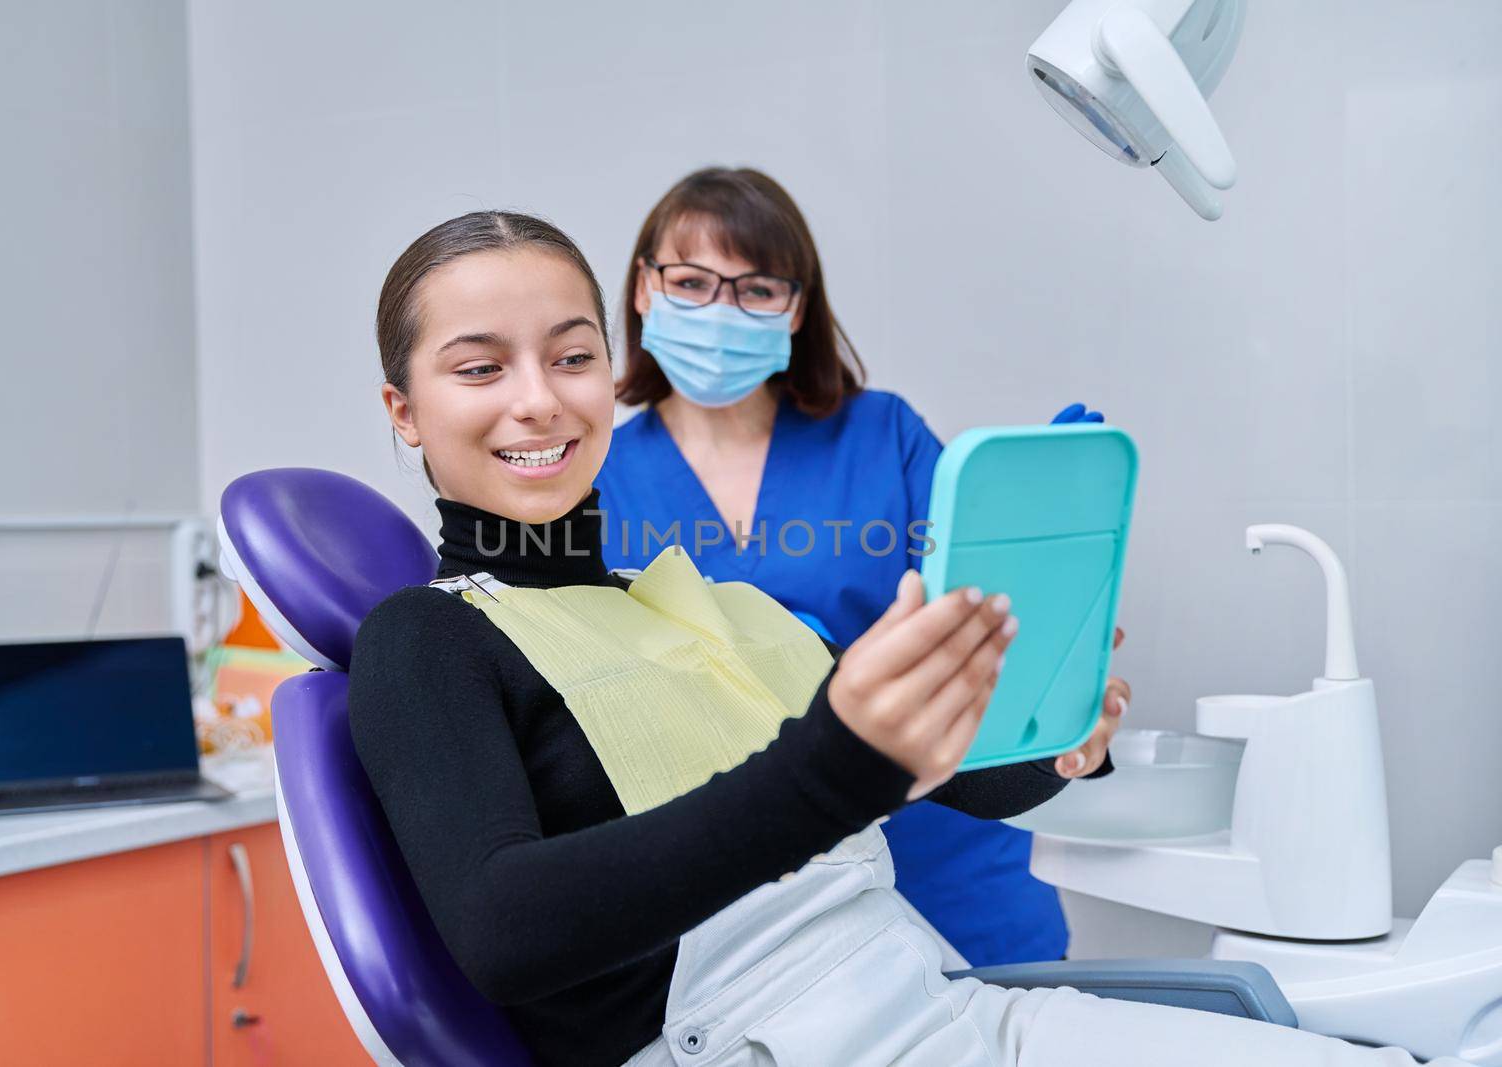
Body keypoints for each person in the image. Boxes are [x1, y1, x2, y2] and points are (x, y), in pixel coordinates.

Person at [349, 209, 1467, 1067]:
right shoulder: (428, 639)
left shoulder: (715, 602)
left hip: (948, 1012)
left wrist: (1049, 725)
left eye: (572, 354)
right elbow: (504, 931)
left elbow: (961, 782)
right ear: (405, 409)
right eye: (480, 366)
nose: (539, 400)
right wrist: (834, 764)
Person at [594, 167, 1119, 964]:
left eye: (756, 289)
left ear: (796, 308)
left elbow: (986, 635)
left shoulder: (884, 436)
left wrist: (1043, 568)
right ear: (643, 290)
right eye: (691, 283)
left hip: (946, 856)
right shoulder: (593, 478)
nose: (719, 312)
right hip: (739, 902)